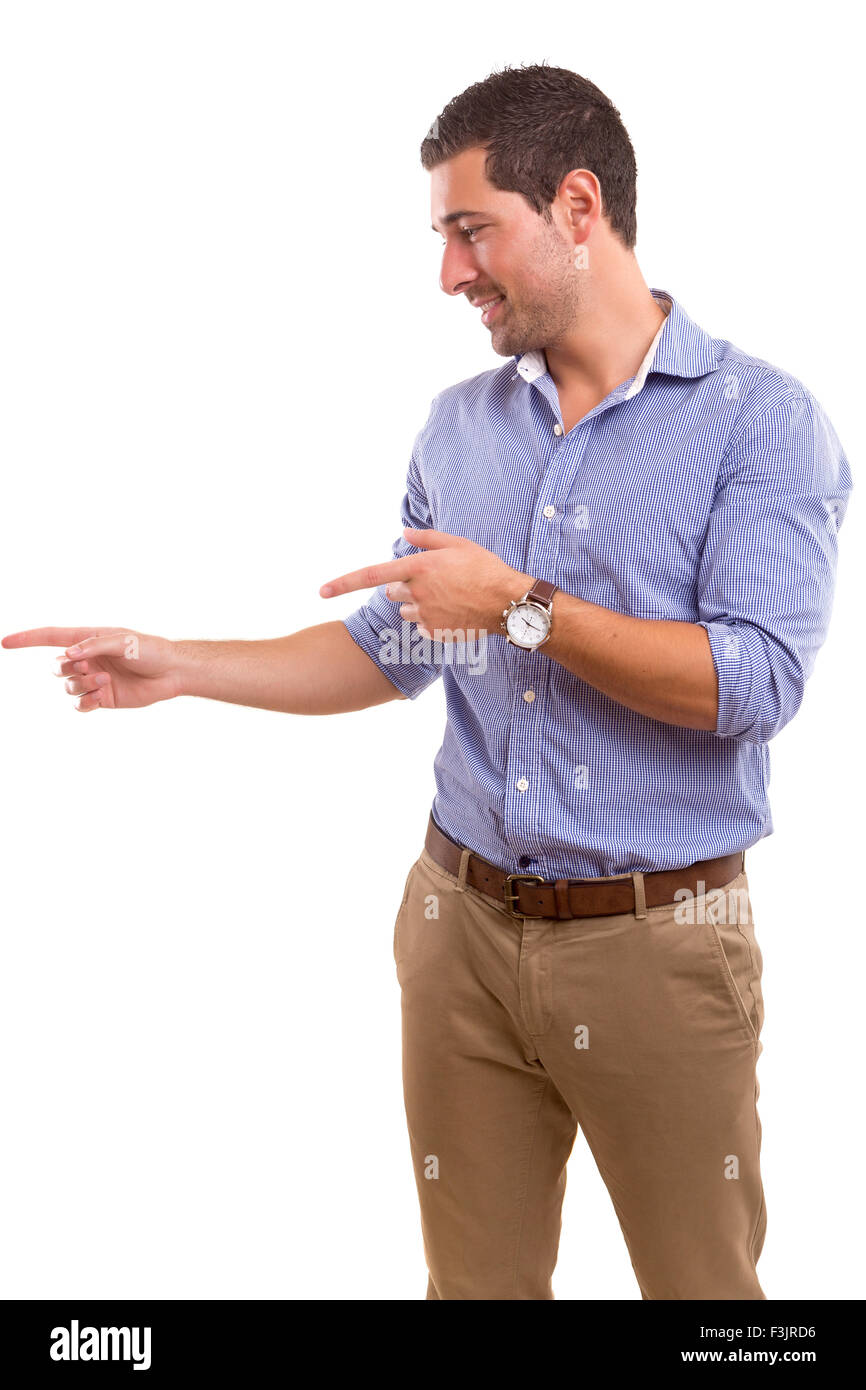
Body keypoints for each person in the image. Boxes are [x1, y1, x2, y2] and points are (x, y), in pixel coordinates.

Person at [2, 63, 852, 1300]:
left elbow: (755, 682)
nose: (449, 274)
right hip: (456, 931)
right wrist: (178, 664)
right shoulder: (461, 428)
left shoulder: (757, 422)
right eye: (442, 238)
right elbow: (394, 650)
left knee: (706, 1305)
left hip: (660, 950)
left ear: (574, 205)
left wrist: (517, 605)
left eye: (470, 232)